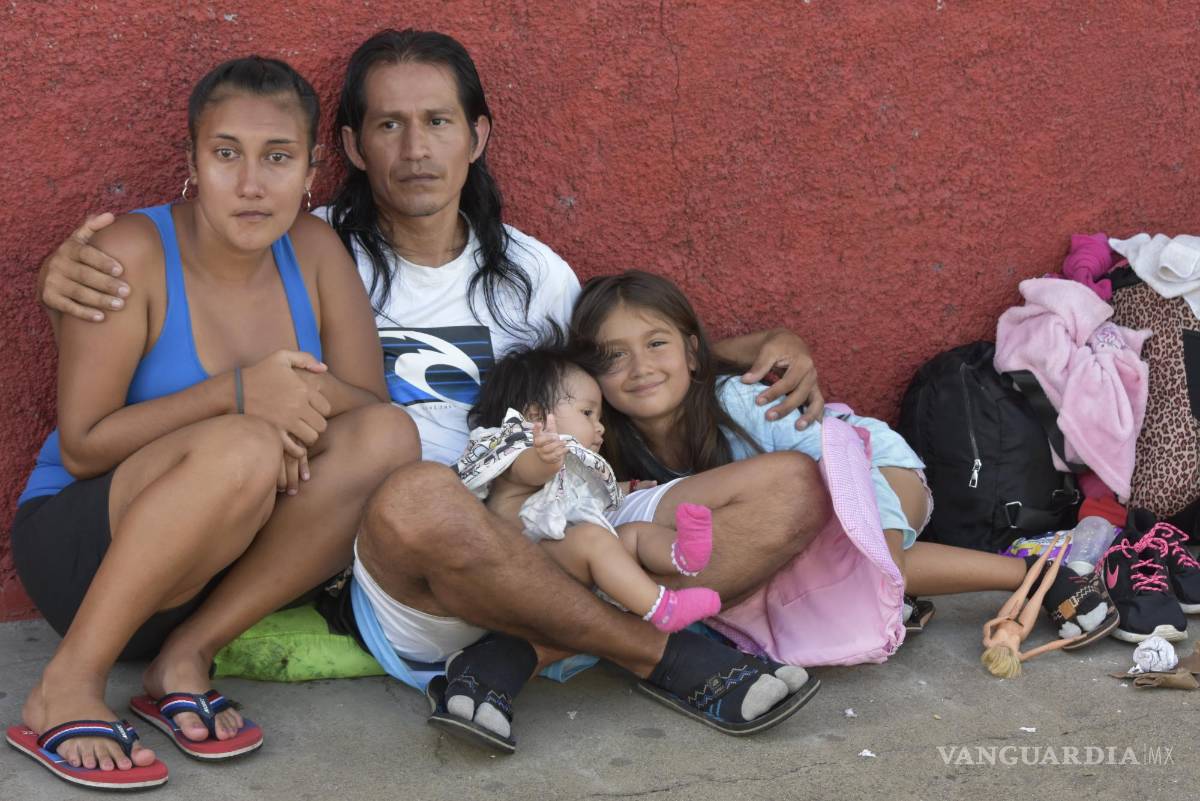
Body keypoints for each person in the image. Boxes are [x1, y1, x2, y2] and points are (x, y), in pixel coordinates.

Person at [37, 29, 830, 750]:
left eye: (439, 123)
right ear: (348, 146)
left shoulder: (531, 271)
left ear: (477, 136)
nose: (415, 149)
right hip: (407, 548)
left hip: (552, 520)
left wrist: (751, 347)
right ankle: (661, 653)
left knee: (795, 484)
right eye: (388, 125)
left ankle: (511, 656)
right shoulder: (307, 238)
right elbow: (144, 371)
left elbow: (623, 371)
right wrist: (65, 279)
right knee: (412, 481)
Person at [7, 57, 418, 789]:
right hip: (86, 551)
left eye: (278, 157)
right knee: (243, 443)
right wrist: (237, 399)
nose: (252, 182)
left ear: (313, 168)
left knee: (391, 439)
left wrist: (284, 416)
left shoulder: (317, 252)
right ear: (192, 160)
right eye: (227, 153)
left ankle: (185, 656)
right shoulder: (130, 252)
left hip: (221, 565)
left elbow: (370, 408)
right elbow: (84, 444)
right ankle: (65, 685)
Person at [568, 269, 1121, 658]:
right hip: (803, 508)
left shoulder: (739, 399)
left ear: (692, 352)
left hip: (874, 469)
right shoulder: (606, 441)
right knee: (813, 566)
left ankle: (1040, 575)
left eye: (656, 343)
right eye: (613, 356)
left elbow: (833, 455)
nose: (639, 367)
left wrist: (879, 545)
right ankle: (890, 595)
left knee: (874, 562)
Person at [456, 339, 722, 634]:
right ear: (535, 417)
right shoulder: (515, 448)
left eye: (599, 417)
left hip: (563, 558)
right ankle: (663, 609)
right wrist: (545, 456)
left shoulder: (568, 464)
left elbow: (582, 493)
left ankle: (681, 554)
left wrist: (624, 488)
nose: (600, 427)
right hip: (529, 564)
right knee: (594, 540)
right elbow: (529, 472)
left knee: (633, 535)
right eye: (587, 413)